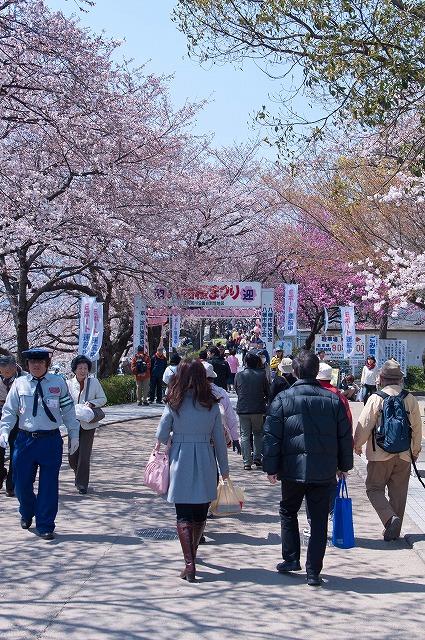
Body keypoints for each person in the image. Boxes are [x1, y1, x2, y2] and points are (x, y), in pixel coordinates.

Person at [263, 350, 353, 586]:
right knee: (319, 519)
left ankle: (291, 558)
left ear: (294, 372)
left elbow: (272, 436)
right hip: (323, 469)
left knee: (288, 510)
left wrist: (271, 467)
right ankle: (314, 571)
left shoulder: (283, 398)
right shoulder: (334, 400)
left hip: (292, 468)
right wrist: (344, 465)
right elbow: (344, 436)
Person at [156, 358, 230, 582]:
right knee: (199, 513)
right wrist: (224, 471)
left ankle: (190, 563)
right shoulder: (211, 404)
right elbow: (219, 440)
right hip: (206, 459)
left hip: (180, 458)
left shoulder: (174, 401)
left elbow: (160, 435)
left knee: (183, 513)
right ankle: (193, 554)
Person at [0, 348, 79, 540]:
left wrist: (74, 433)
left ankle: (45, 524)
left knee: (49, 485)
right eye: (32, 362)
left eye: (40, 362)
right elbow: (10, 411)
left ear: (47, 364)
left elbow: (68, 410)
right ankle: (27, 511)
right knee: (20, 483)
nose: (36, 365)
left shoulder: (58, 383)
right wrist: (3, 431)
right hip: (25, 439)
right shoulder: (20, 384)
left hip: (50, 440)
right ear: (27, 364)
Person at [354, 359, 422, 541]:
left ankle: (390, 519)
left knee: (374, 488)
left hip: (379, 454)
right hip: (404, 454)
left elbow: (365, 424)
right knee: (398, 494)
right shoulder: (410, 399)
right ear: (400, 379)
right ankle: (394, 531)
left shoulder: (376, 398)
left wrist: (358, 444)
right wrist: (415, 450)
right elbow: (416, 427)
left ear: (382, 378)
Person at [67, 355, 107, 495]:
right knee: (72, 455)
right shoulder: (68, 383)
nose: (82, 371)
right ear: (74, 369)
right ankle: (78, 474)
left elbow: (103, 398)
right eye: (80, 368)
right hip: (73, 423)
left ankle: (82, 484)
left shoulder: (94, 382)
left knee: (84, 455)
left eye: (85, 368)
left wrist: (92, 403)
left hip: (89, 424)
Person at [234, 351, 270, 470]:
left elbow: (237, 390)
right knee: (258, 433)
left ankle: (246, 462)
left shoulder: (239, 375)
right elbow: (267, 392)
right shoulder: (261, 375)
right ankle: (257, 457)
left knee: (244, 435)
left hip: (243, 408)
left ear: (246, 363)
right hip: (258, 409)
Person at [0, 354, 23, 496]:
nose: (4, 375)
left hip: (18, 418)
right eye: (2, 372)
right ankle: (1, 473)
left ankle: (11, 484)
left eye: (7, 372)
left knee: (15, 451)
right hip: (0, 416)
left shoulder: (25, 378)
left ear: (14, 368)